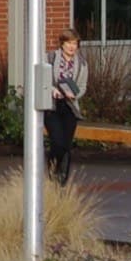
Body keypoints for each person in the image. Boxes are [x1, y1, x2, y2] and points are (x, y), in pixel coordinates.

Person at [45, 28, 87, 186]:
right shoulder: (49, 58)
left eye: (74, 43)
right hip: (53, 106)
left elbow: (82, 86)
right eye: (68, 43)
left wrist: (75, 94)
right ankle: (52, 171)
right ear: (62, 44)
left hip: (70, 106)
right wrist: (52, 90)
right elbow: (42, 80)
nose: (71, 46)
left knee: (66, 145)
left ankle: (62, 180)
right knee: (57, 142)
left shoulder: (82, 64)